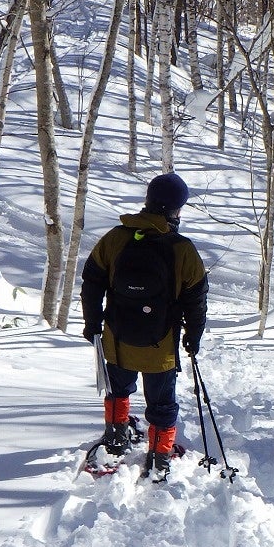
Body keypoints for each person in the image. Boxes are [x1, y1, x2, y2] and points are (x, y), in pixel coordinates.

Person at [80, 172, 208, 480]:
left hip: (118, 342)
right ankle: (160, 457)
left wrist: (92, 322)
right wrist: (193, 336)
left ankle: (115, 437)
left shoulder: (115, 238)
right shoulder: (182, 249)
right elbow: (196, 300)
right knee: (162, 404)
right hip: (160, 348)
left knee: (117, 389)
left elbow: (91, 281)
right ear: (172, 210)